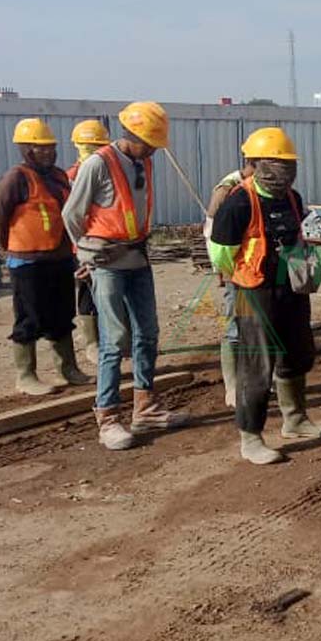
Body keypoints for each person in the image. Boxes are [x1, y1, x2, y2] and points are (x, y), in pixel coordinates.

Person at [62, 101, 189, 450]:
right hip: (108, 262)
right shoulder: (98, 164)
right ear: (133, 135)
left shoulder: (143, 161)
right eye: (150, 143)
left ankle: (145, 407)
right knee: (113, 340)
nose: (154, 150)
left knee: (147, 333)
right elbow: (71, 214)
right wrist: (85, 254)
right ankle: (108, 417)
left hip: (137, 257)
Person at [209, 127, 321, 465]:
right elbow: (221, 254)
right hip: (254, 291)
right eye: (276, 164)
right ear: (255, 163)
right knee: (257, 366)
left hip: (291, 288)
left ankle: (296, 420)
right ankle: (251, 438)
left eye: (288, 164)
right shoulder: (238, 201)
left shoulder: (292, 198)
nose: (284, 171)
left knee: (297, 353)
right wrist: (241, 278)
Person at [0, 118, 92, 396]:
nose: (47, 152)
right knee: (29, 317)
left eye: (50, 147)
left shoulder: (58, 177)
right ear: (26, 149)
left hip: (60, 258)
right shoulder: (16, 178)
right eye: (40, 148)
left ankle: (67, 369)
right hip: (27, 261)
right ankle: (26, 375)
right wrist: (7, 246)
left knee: (62, 314)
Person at [204, 156, 257, 407]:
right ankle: (232, 386)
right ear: (253, 163)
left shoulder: (260, 188)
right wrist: (221, 269)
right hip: (235, 270)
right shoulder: (227, 190)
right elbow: (212, 233)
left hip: (257, 271)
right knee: (235, 327)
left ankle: (255, 379)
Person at [67, 119, 113, 366]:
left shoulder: (110, 173)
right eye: (87, 147)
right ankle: (92, 343)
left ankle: (112, 340)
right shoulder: (71, 177)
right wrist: (80, 250)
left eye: (96, 147)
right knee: (88, 293)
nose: (91, 152)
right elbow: (69, 216)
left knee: (109, 293)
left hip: (107, 244)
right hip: (82, 246)